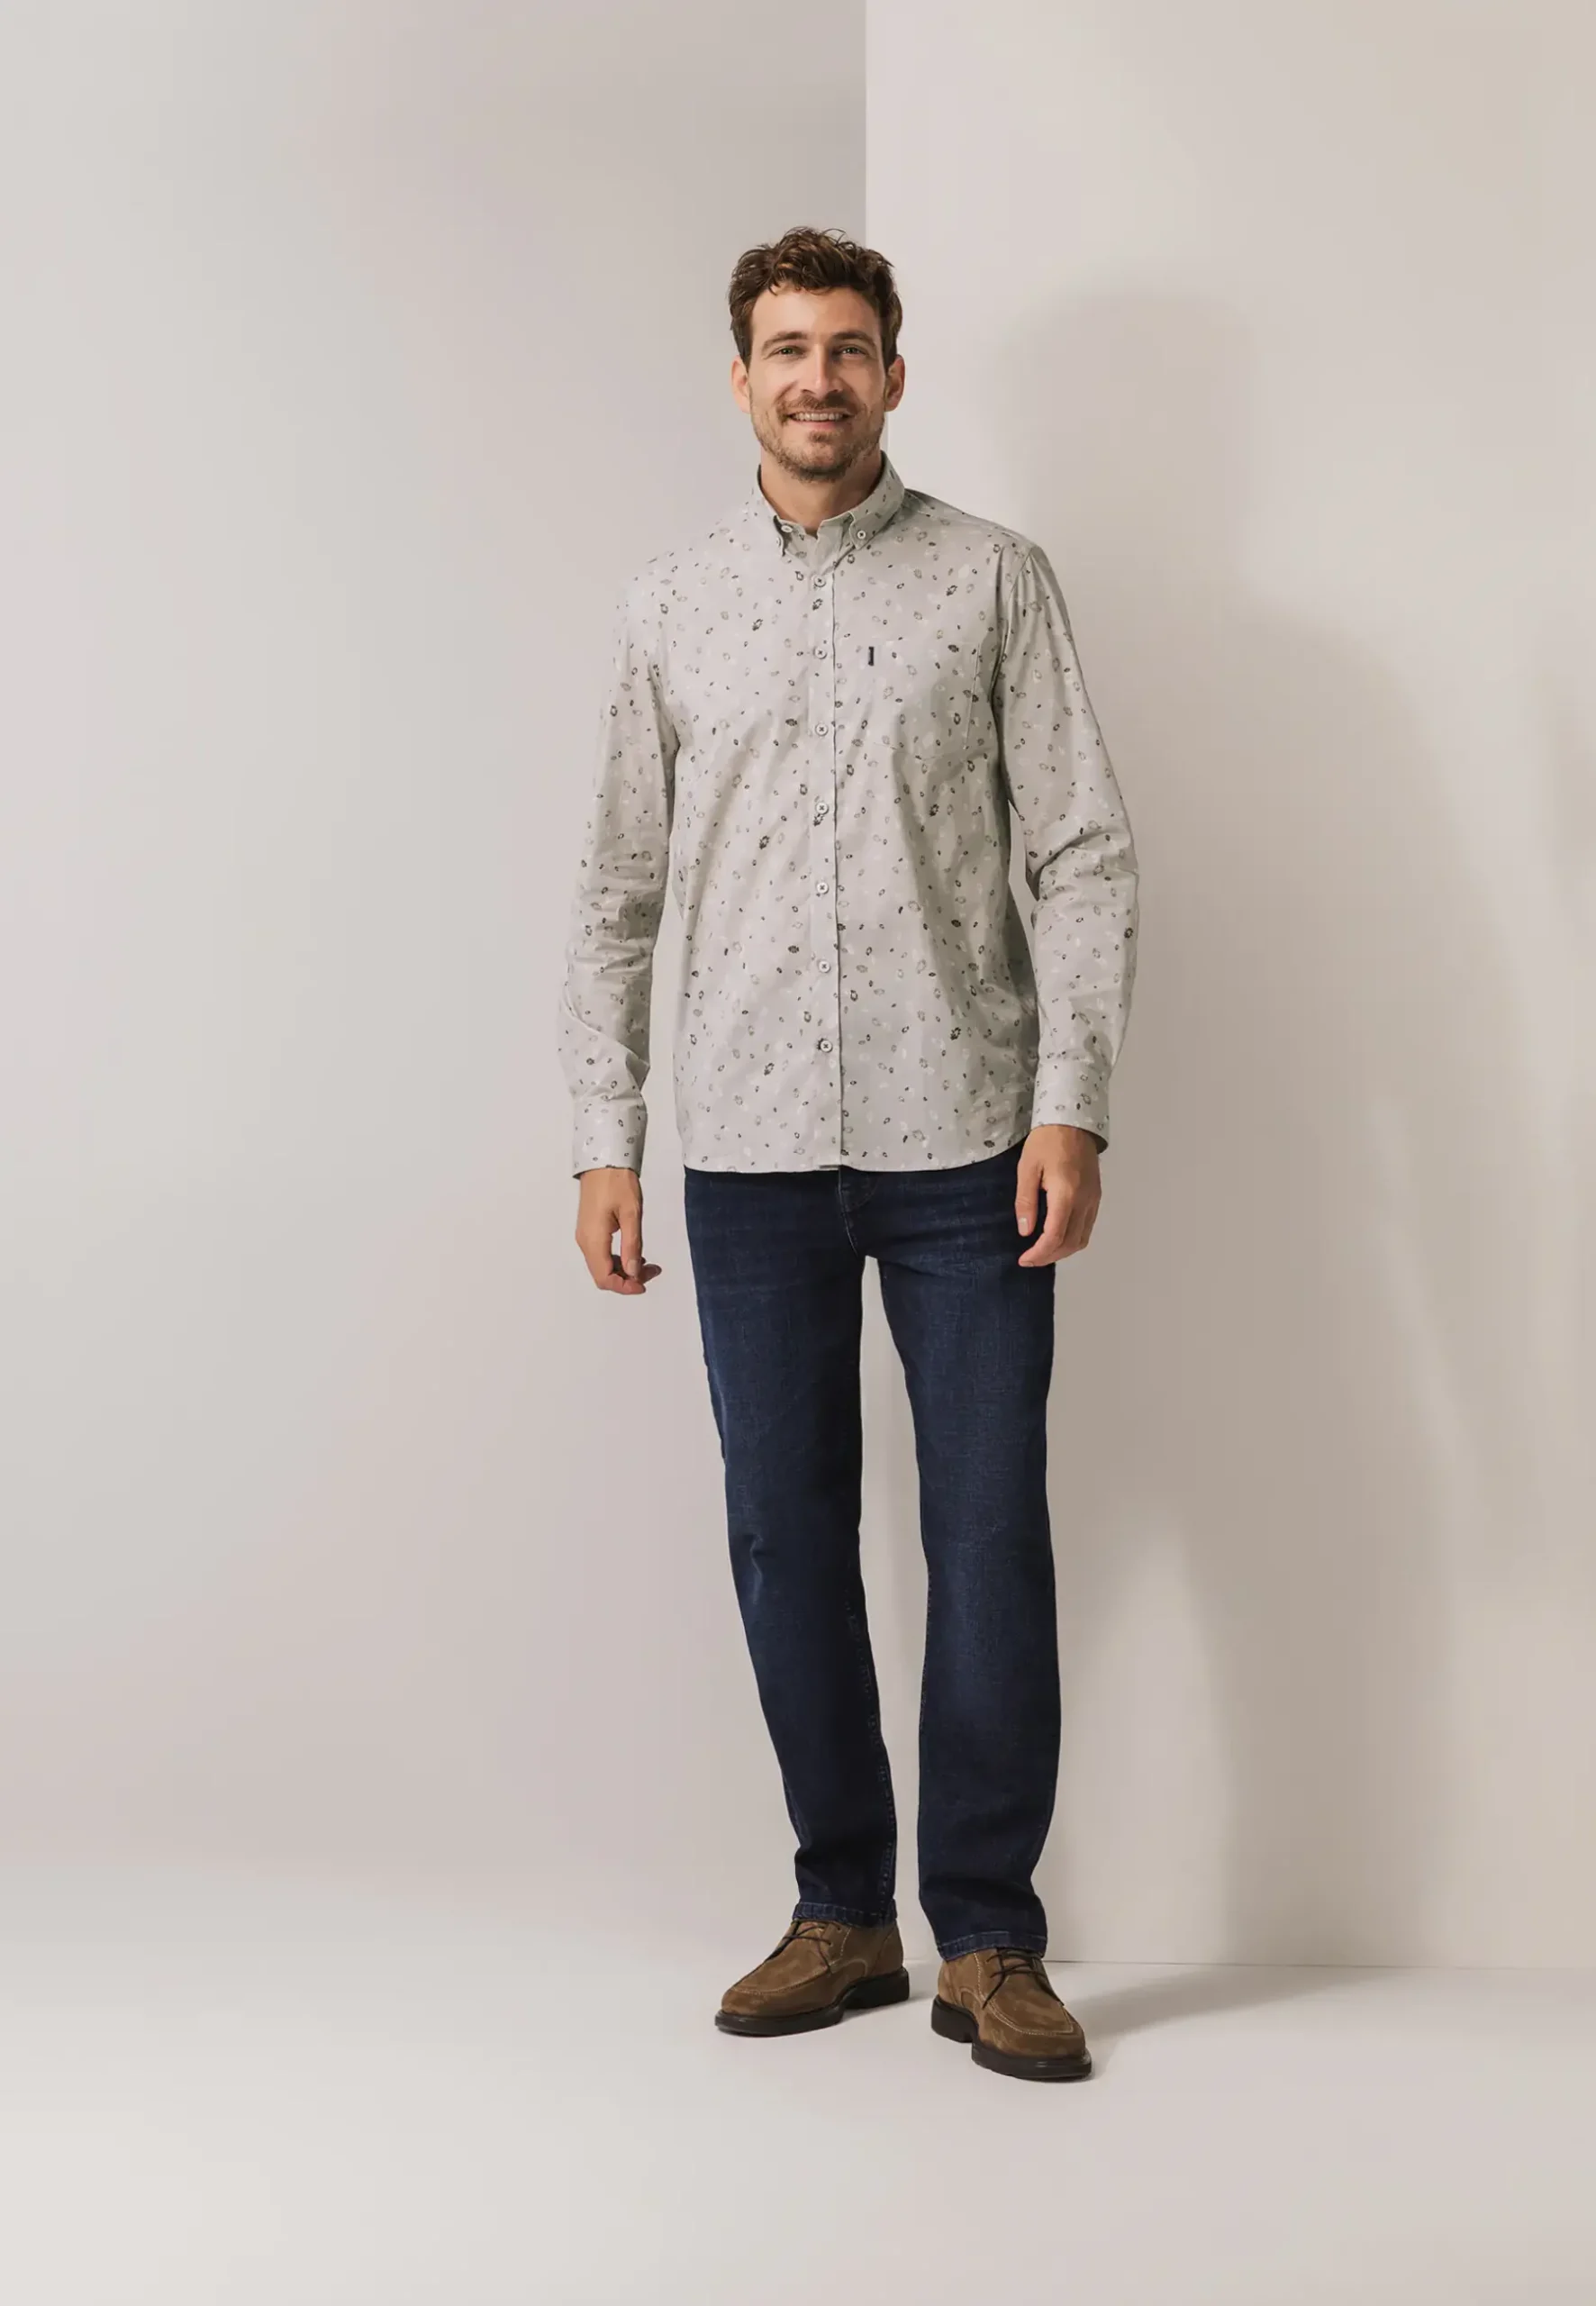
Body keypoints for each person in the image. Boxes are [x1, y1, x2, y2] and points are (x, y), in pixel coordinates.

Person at [556, 226, 1138, 2084]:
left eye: (850, 347)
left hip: (968, 1138)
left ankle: (989, 1935)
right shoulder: (669, 606)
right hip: (742, 1146)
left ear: (894, 372)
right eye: (787, 349)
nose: (819, 377)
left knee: (987, 1532)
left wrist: (1071, 1100)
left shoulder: (992, 580)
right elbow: (617, 890)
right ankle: (841, 1912)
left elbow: (1081, 851)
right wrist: (604, 1137)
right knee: (782, 1532)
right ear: (741, 379)